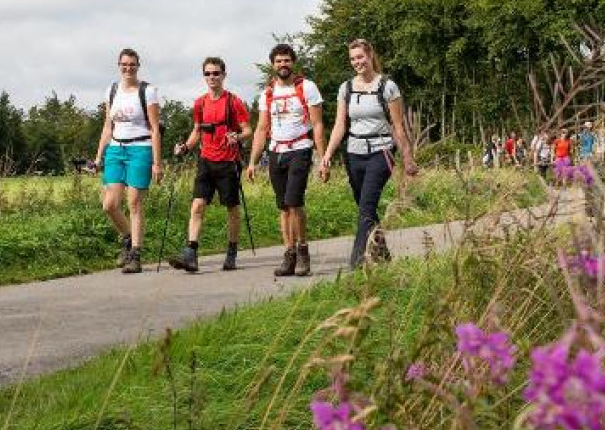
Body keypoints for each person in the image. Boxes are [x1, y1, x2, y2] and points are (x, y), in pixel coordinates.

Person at [320, 39, 419, 269]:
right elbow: (339, 126)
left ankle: (356, 263)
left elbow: (397, 126)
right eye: (353, 58)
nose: (357, 62)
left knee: (366, 207)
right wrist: (327, 155)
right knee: (366, 207)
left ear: (370, 55)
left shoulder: (388, 86)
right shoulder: (346, 88)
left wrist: (407, 158)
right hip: (353, 154)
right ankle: (383, 255)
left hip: (381, 152)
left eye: (360, 57)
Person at [246, 44, 325, 276]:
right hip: (275, 152)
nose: (283, 65)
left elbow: (318, 124)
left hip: (300, 149)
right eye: (279, 61)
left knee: (294, 202)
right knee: (282, 206)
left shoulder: (307, 87)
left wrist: (322, 158)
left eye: (287, 60)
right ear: (273, 64)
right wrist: (252, 161)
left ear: (293, 62)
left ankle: (303, 251)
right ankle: (288, 253)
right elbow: (261, 129)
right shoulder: (267, 93)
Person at [170, 57, 252, 273]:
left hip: (228, 162)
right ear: (204, 76)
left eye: (216, 73)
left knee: (232, 209)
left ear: (224, 75)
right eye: (208, 73)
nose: (212, 77)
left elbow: (248, 130)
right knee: (197, 205)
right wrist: (185, 147)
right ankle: (191, 255)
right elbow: (197, 131)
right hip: (205, 161)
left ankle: (232, 252)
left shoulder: (234, 102)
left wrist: (238, 137)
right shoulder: (200, 103)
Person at [93, 47, 163, 274]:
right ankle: (128, 237)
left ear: (138, 66)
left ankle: (135, 254)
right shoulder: (111, 91)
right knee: (109, 205)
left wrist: (157, 162)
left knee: (134, 202)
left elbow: (154, 129)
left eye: (132, 64)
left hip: (140, 149)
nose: (128, 68)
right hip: (116, 150)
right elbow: (107, 125)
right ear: (119, 65)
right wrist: (98, 156)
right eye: (124, 64)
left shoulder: (148, 91)